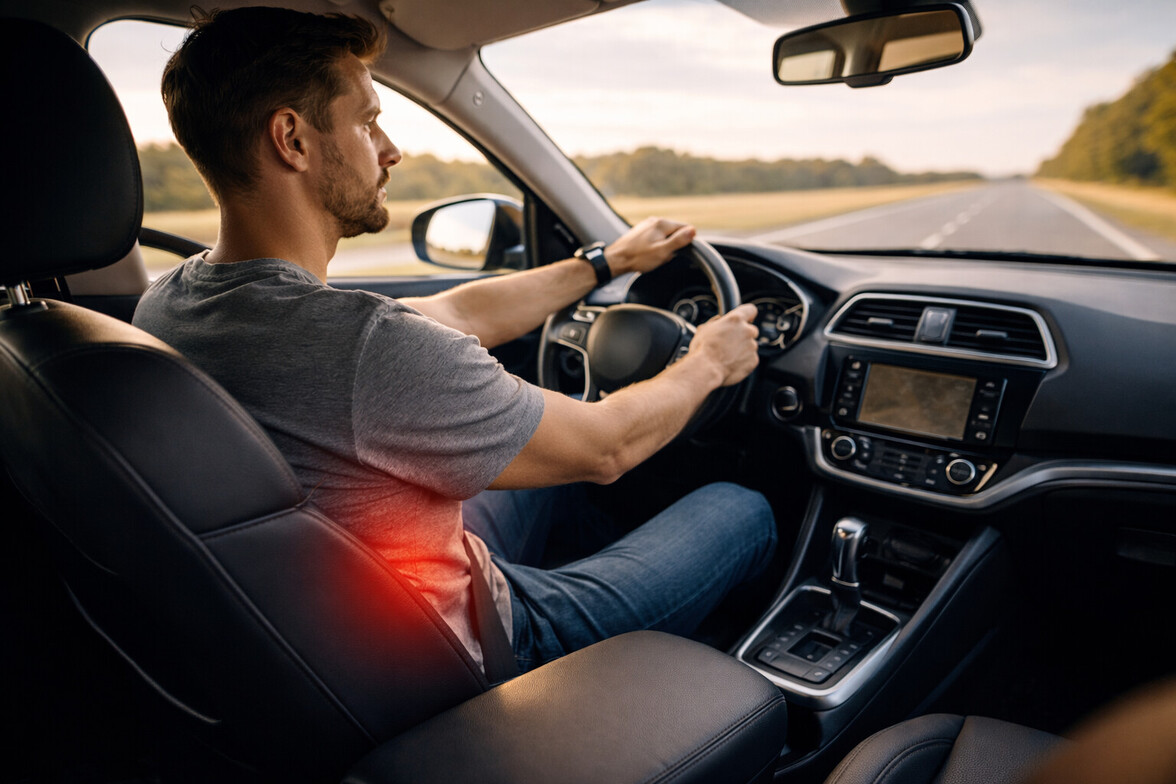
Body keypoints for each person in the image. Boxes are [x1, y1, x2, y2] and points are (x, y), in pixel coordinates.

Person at [133, 6, 776, 677]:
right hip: (478, 644)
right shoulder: (368, 346)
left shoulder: (170, 304)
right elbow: (606, 447)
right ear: (291, 139)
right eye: (367, 120)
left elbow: (458, 309)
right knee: (742, 507)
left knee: (546, 476)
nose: (390, 149)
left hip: (339, 624)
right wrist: (707, 362)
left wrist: (606, 263)